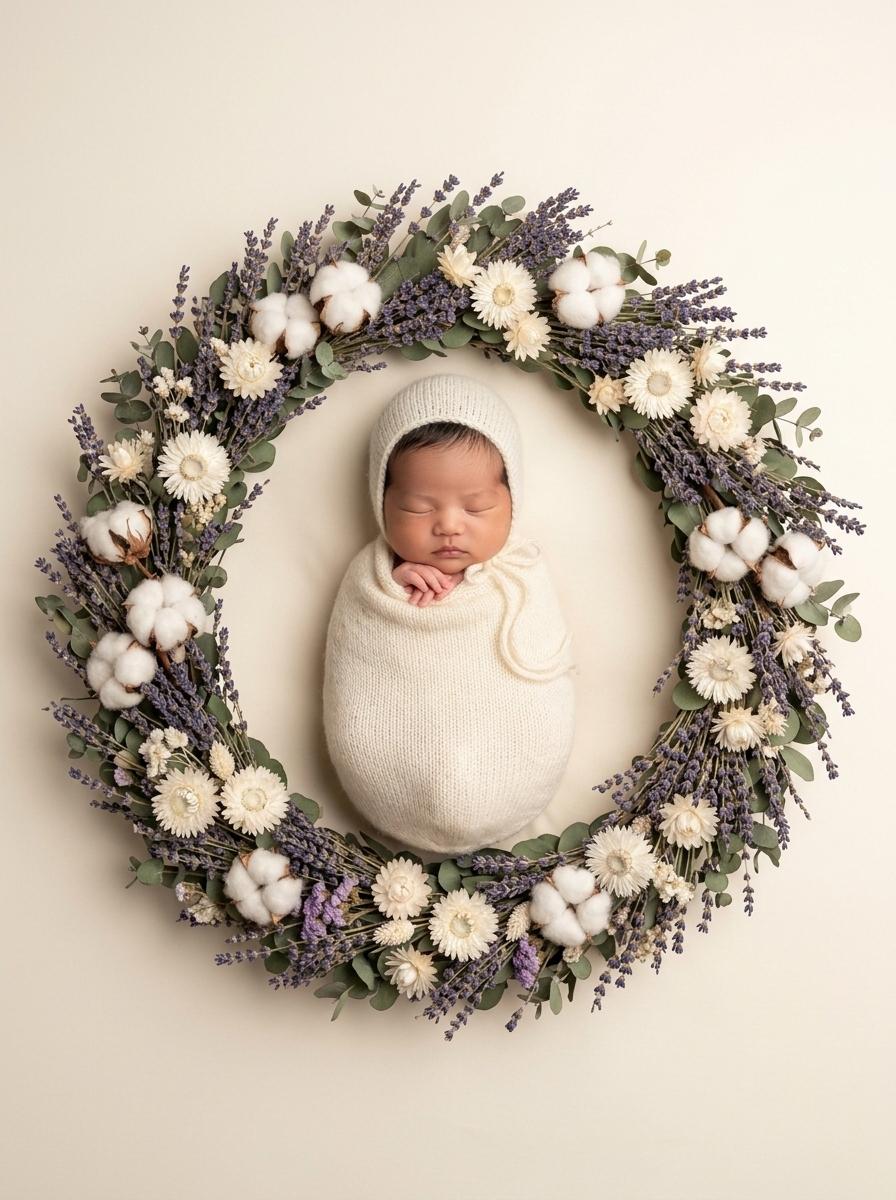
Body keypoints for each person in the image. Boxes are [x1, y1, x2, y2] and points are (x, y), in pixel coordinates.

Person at [321, 372, 576, 857]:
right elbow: (358, 653)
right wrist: (390, 586)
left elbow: (547, 660)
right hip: (396, 758)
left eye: (477, 507)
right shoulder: (371, 581)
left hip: (504, 751)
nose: (449, 527)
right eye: (419, 508)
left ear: (511, 502)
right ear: (382, 504)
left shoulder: (522, 576)